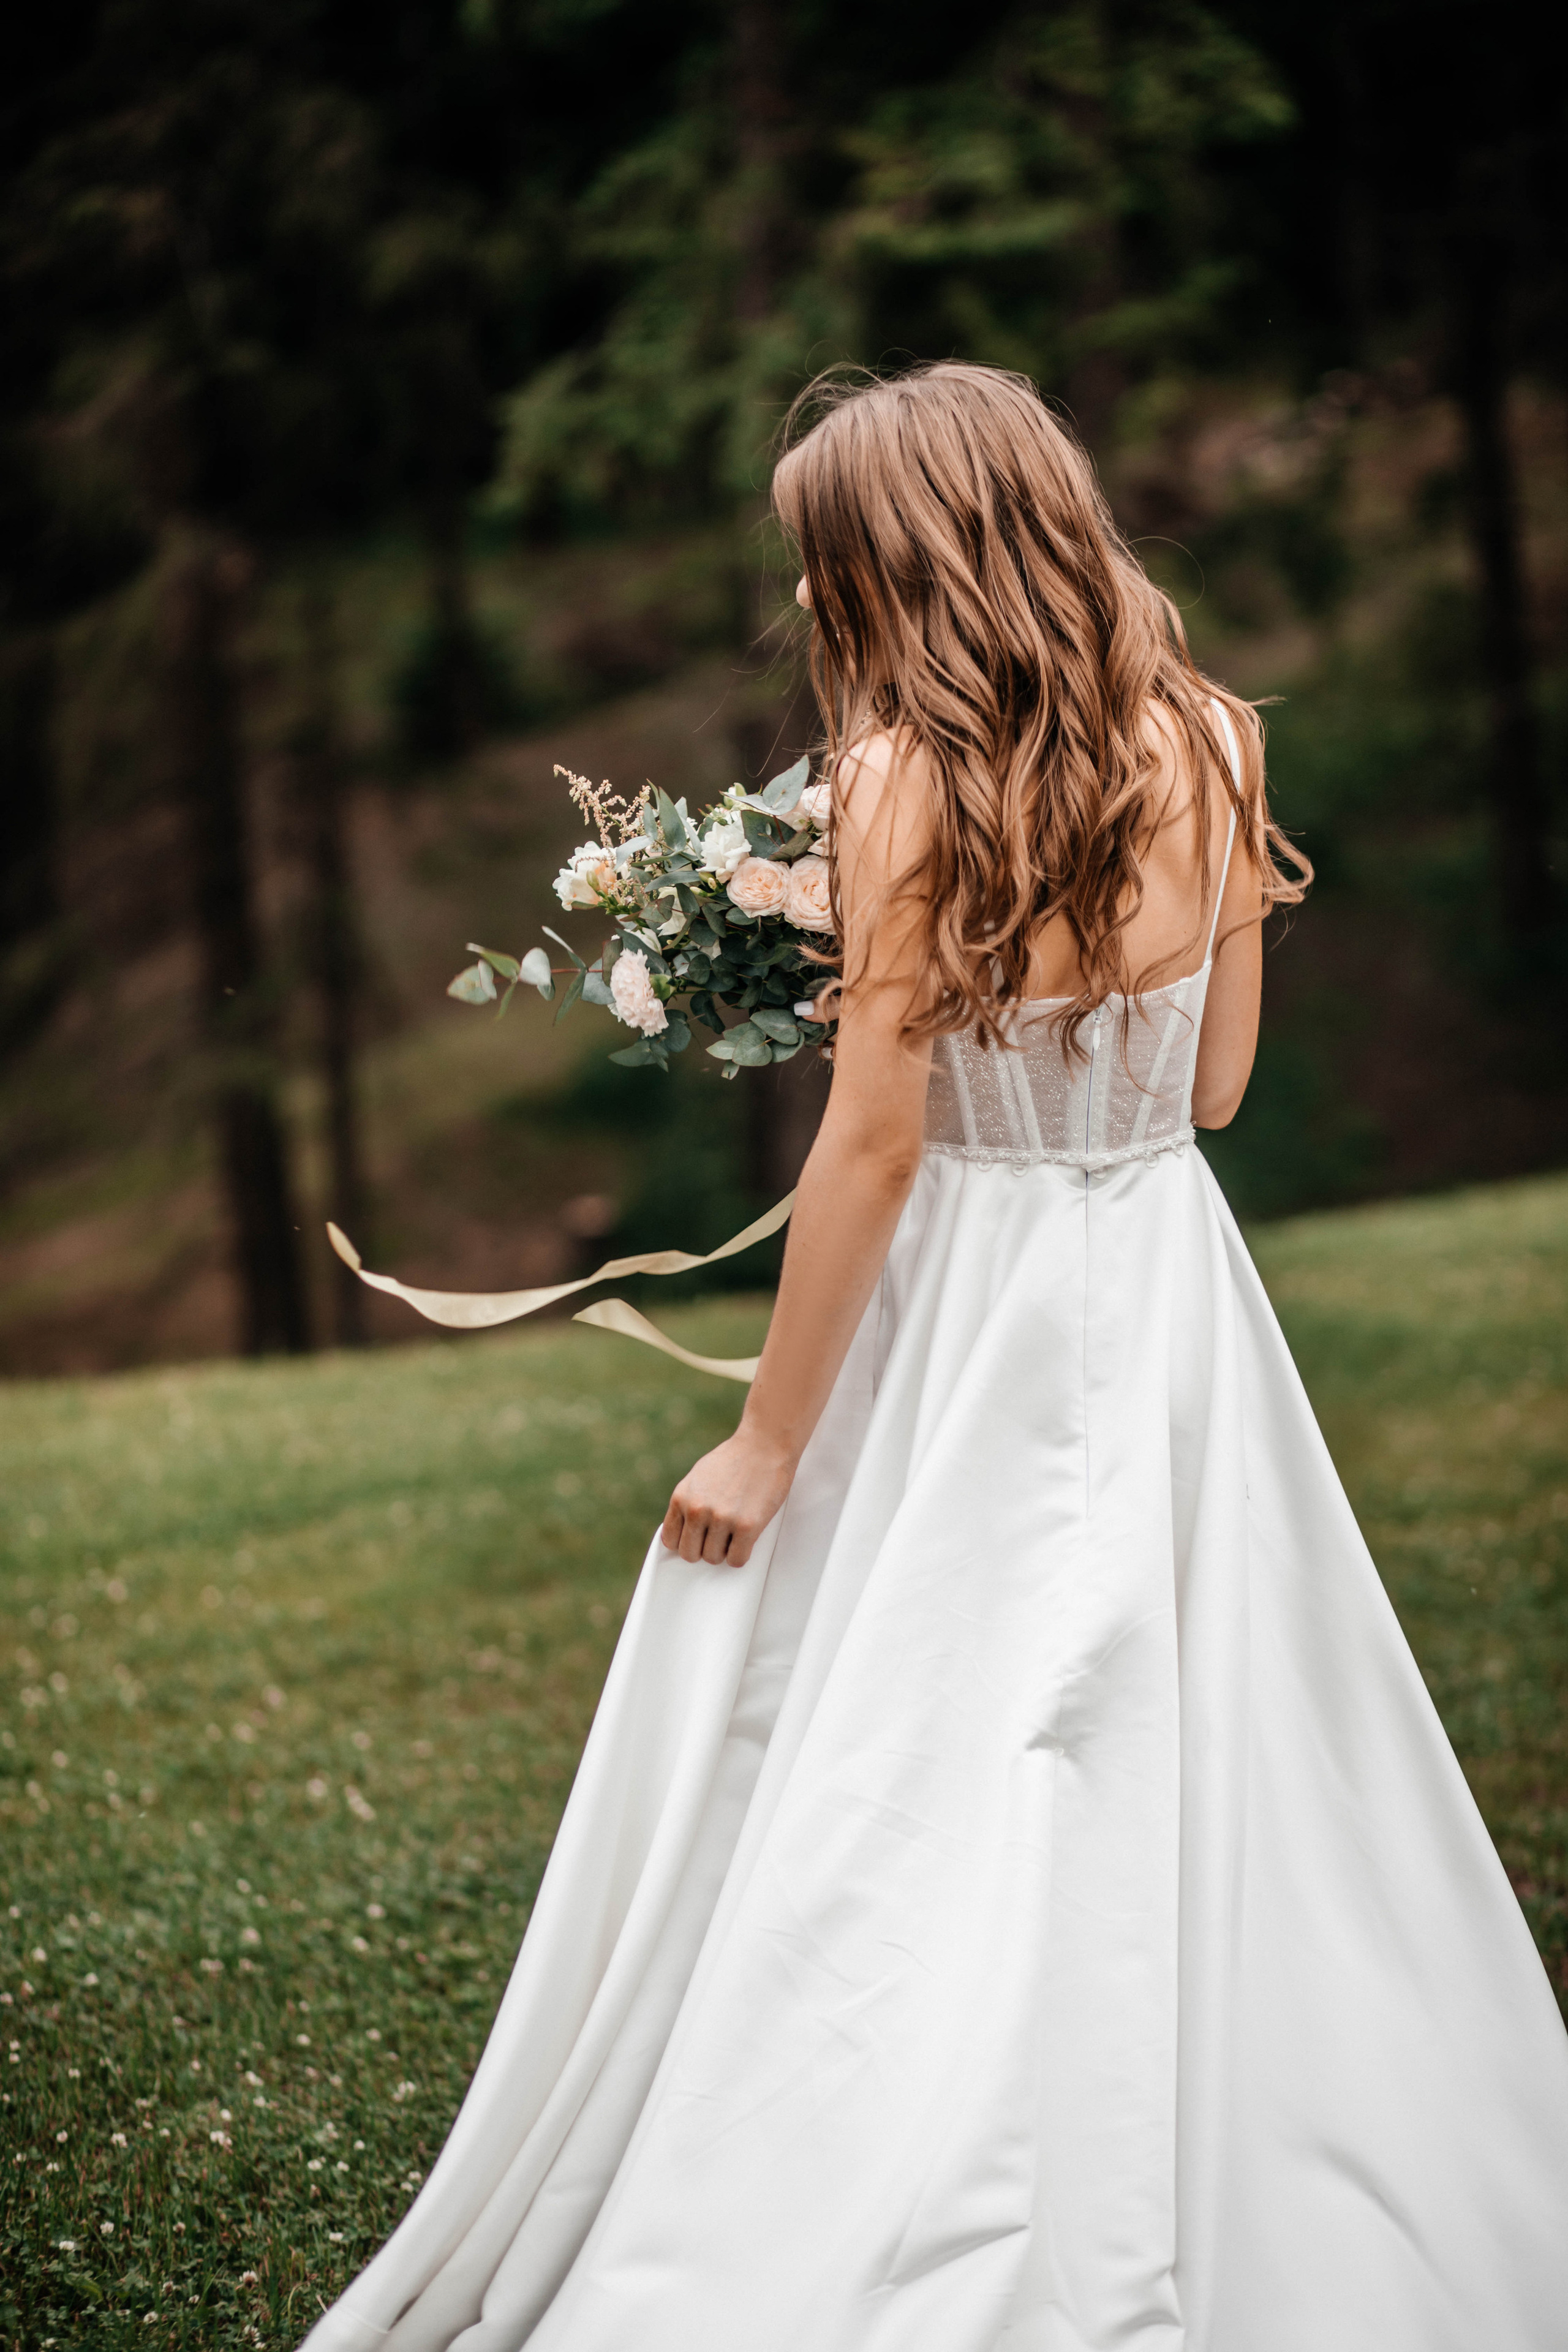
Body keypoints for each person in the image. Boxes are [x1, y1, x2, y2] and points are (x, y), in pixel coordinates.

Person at [303, 364, 1568, 2352]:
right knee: (1190, 1695)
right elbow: (1218, 1091)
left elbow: (880, 1144)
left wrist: (768, 1443)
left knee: (930, 1699)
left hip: (974, 1294)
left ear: (899, 566)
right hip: (1162, 1282)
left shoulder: (897, 789)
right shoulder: (1223, 743)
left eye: (827, 570)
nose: (817, 609)